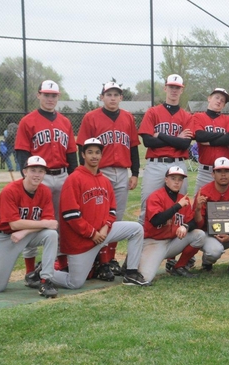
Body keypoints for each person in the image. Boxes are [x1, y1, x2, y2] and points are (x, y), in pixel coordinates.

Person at [52, 138, 147, 289]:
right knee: (75, 283)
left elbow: (112, 210)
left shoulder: (104, 180)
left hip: (102, 233)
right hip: (81, 240)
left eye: (97, 152)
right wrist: (92, 234)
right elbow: (70, 215)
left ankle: (131, 273)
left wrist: (104, 229)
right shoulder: (74, 179)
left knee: (136, 229)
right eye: (90, 152)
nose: (94, 156)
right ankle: (43, 272)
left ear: (102, 156)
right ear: (83, 155)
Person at [76, 81, 141, 280]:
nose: (112, 98)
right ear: (102, 96)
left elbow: (133, 147)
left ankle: (110, 258)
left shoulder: (128, 117)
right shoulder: (91, 117)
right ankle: (99, 259)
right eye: (109, 94)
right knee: (97, 216)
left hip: (121, 171)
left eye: (116, 94)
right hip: (99, 171)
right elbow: (82, 148)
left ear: (121, 98)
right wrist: (86, 174)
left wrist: (135, 172)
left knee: (116, 216)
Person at [14, 80, 78, 276]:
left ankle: (60, 262)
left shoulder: (65, 122)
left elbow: (71, 153)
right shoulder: (28, 121)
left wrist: (74, 178)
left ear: (58, 97)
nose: (50, 99)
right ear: (38, 95)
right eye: (46, 95)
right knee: (32, 219)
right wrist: (27, 178)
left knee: (61, 220)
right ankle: (30, 270)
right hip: (38, 177)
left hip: (62, 176)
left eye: (53, 95)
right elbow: (22, 152)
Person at [0, 156, 58, 298]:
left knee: (51, 235)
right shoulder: (10, 191)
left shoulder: (45, 191)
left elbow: (50, 223)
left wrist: (25, 232)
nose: (37, 174)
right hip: (4, 236)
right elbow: (14, 224)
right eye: (33, 170)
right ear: (25, 171)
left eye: (41, 171)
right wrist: (44, 224)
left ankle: (45, 280)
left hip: (25, 234)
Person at [137, 74, 193, 225]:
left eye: (177, 88)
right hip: (155, 165)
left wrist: (160, 135)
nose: (174, 90)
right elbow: (148, 141)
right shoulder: (153, 112)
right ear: (165, 88)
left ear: (182, 90)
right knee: (147, 206)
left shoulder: (186, 116)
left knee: (181, 205)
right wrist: (176, 138)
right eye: (171, 87)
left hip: (178, 164)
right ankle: (143, 246)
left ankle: (175, 243)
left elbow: (184, 145)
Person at [138, 166, 206, 283]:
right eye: (173, 178)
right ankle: (132, 261)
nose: (176, 182)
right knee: (145, 278)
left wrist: (185, 226)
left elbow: (193, 222)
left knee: (199, 235)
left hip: (173, 242)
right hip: (154, 243)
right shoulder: (156, 196)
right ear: (166, 180)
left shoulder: (182, 199)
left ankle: (179, 266)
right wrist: (177, 206)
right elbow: (156, 220)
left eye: (180, 179)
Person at [193, 88, 229, 193]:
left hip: (228, 171)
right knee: (198, 205)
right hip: (205, 172)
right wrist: (223, 135)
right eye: (217, 97)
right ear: (209, 98)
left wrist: (210, 142)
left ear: (224, 105)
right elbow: (200, 136)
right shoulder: (198, 117)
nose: (219, 101)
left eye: (222, 100)